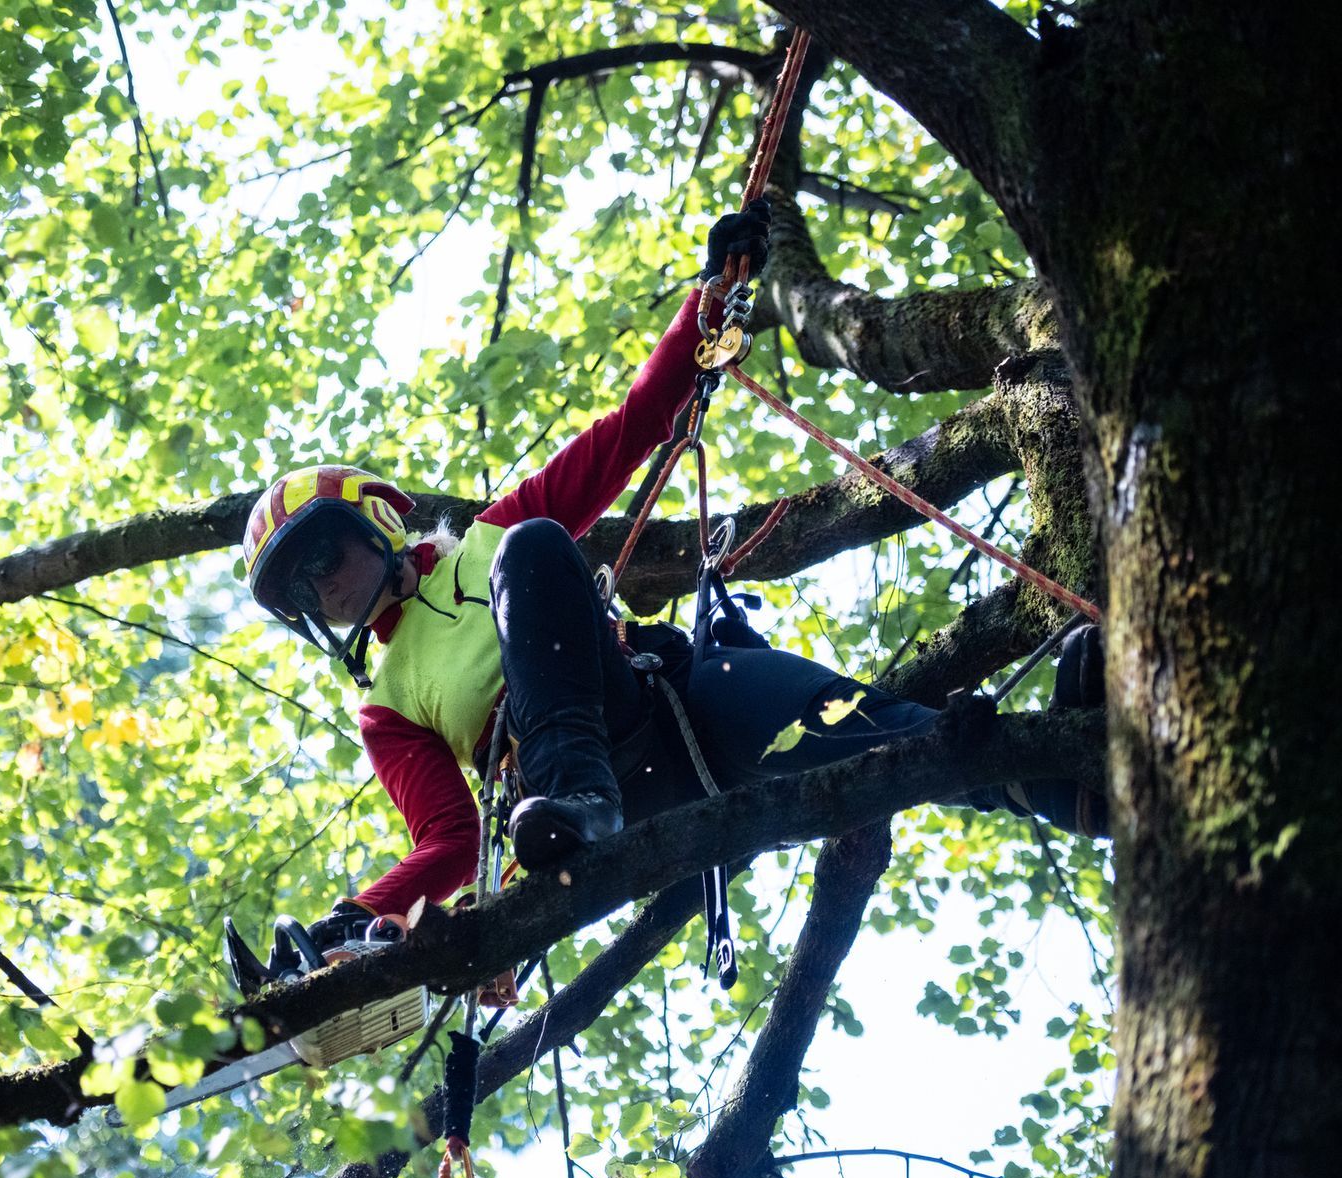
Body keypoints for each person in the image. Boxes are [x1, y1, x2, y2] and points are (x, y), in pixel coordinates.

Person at [228, 205, 1107, 984]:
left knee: (869, 729)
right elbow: (450, 843)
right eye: (301, 588)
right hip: (563, 799)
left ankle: (1062, 783)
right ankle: (581, 798)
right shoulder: (388, 709)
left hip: (673, 704)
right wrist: (354, 915)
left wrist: (709, 298)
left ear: (376, 523)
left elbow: (633, 428)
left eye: (322, 554)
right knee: (553, 601)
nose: (322, 585)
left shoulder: (501, 534)